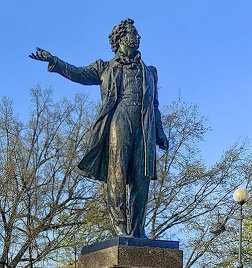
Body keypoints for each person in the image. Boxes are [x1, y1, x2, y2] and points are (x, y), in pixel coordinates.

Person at [31, 18, 169, 238]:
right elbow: (78, 73)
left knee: (141, 178)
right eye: (133, 33)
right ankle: (120, 229)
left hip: (145, 125)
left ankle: (138, 231)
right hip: (120, 118)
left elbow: (154, 105)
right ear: (121, 37)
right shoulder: (104, 67)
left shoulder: (150, 71)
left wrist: (160, 132)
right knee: (117, 174)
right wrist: (54, 61)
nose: (138, 37)